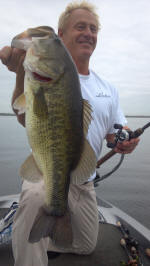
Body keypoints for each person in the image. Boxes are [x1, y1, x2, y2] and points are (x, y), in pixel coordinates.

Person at [0, 2, 139, 266]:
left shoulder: (108, 88)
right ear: (61, 36)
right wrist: (20, 69)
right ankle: (29, 244)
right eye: (80, 26)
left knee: (86, 245)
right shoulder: (44, 73)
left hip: (83, 179)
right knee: (34, 199)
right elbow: (22, 115)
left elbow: (116, 131)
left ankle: (44, 233)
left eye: (93, 28)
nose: (88, 33)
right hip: (46, 171)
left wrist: (126, 139)